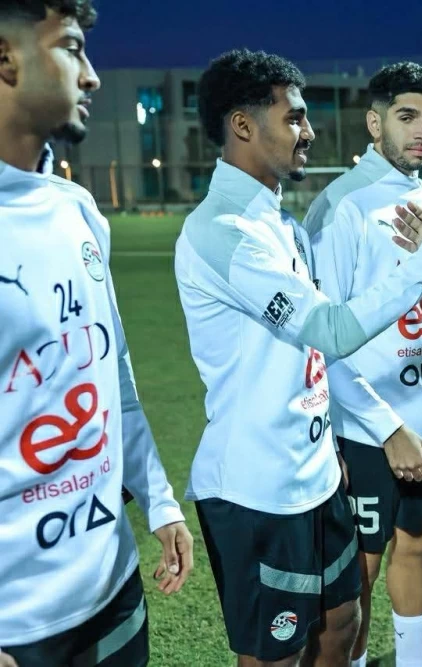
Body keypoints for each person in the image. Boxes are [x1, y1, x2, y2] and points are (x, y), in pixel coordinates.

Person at [174, 50, 422, 667]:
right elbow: (331, 329)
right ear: (243, 125)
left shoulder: (281, 224)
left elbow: (313, 357)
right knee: (277, 654)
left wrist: (343, 440)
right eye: (294, 118)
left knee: (341, 623)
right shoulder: (224, 232)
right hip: (259, 488)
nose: (309, 132)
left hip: (316, 474)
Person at [0, 2, 194, 665]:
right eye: (71, 48)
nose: (92, 76)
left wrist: (160, 501)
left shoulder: (78, 210)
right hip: (18, 626)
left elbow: (113, 377)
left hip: (113, 588)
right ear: (6, 57)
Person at [301, 61, 422, 667]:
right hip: (368, 429)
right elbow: (321, 340)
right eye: (406, 117)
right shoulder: (341, 206)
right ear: (374, 123)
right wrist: (387, 428)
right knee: (360, 571)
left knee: (420, 545)